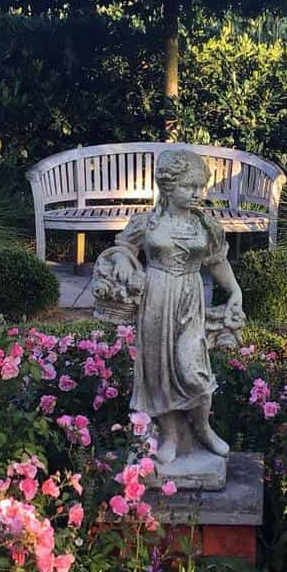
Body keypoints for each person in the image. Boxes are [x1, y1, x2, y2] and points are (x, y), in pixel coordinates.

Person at [109, 148, 245, 465]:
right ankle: (169, 434)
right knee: (159, 371)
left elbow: (216, 261)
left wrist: (235, 291)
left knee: (194, 367)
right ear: (168, 187)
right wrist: (126, 263)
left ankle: (203, 426)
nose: (198, 194)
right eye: (190, 187)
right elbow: (123, 247)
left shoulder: (205, 226)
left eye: (201, 187)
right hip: (156, 299)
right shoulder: (149, 222)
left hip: (190, 296)